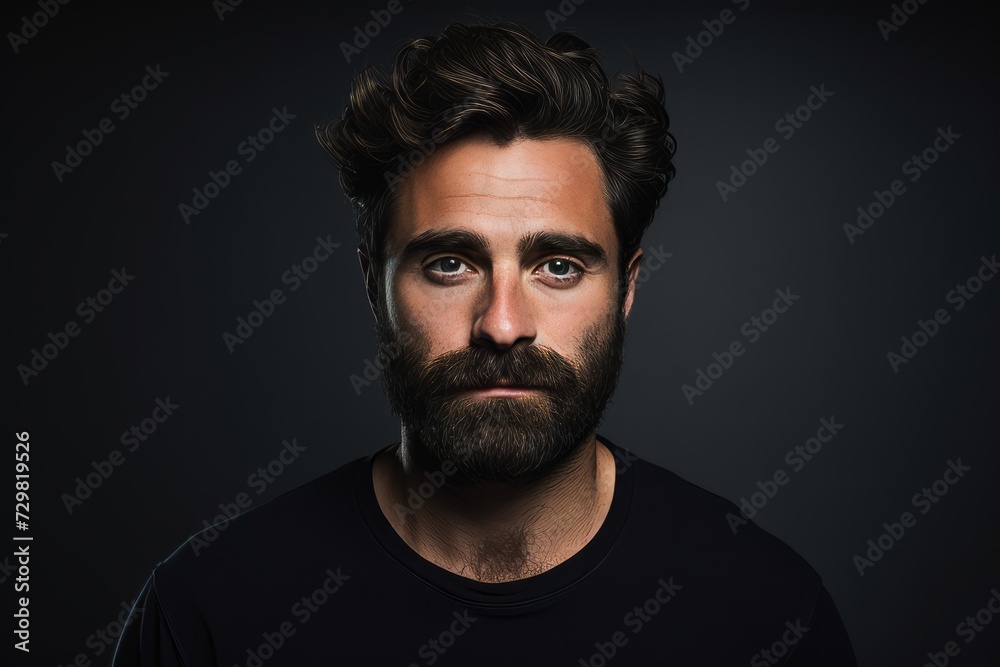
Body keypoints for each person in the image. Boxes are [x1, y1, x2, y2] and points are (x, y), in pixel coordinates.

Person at [113, 21, 857, 666]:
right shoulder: (209, 612)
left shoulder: (765, 613)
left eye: (558, 266)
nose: (502, 323)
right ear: (374, 283)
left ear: (626, 288)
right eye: (450, 263)